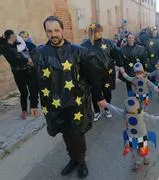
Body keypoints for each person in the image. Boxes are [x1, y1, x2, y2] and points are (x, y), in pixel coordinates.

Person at [31, 16, 108, 179]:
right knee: (66, 134)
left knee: (77, 134)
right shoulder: (39, 54)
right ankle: (73, 159)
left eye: (56, 30)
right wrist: (32, 104)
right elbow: (33, 81)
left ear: (62, 30)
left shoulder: (78, 51)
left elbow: (92, 77)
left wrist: (99, 97)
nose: (53, 34)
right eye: (49, 31)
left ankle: (81, 162)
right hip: (54, 104)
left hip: (76, 103)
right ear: (45, 32)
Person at [106, 97, 159, 171]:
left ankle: (144, 159)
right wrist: (107, 105)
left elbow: (116, 110)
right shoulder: (129, 114)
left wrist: (107, 105)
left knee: (140, 149)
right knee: (135, 150)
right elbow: (153, 118)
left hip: (139, 136)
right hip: (134, 136)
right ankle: (139, 161)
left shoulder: (133, 114)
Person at [81, 23, 120, 122]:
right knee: (95, 95)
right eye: (97, 31)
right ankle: (97, 111)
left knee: (107, 94)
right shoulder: (85, 45)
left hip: (107, 75)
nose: (99, 33)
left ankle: (107, 108)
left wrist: (121, 59)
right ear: (92, 32)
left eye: (100, 31)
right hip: (93, 77)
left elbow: (116, 55)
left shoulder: (108, 43)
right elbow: (81, 60)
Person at [0, 29, 39, 119]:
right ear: (11, 36)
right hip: (18, 72)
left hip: (27, 70)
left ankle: (33, 108)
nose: (16, 36)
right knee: (24, 92)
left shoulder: (17, 44)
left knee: (32, 90)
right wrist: (27, 60)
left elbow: (29, 48)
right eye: (14, 35)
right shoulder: (6, 48)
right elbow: (15, 57)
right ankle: (24, 111)